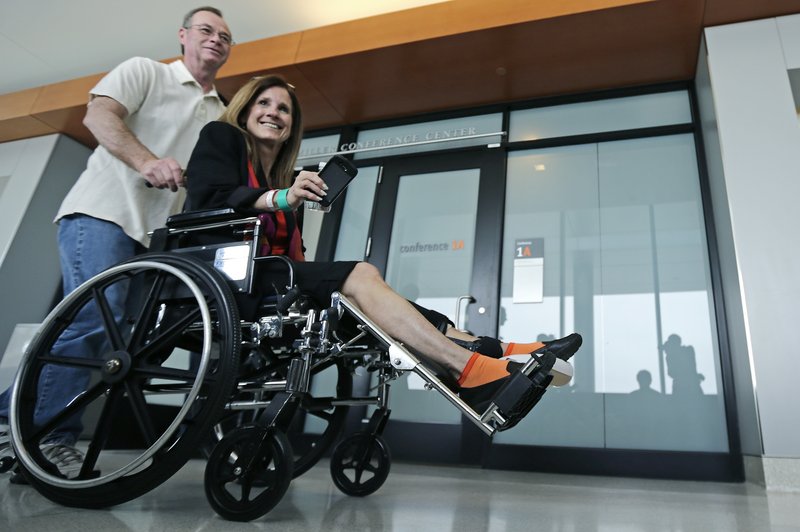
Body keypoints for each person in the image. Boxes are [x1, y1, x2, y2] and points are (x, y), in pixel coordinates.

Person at [184, 74, 582, 418]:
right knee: (361, 274)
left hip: (273, 280)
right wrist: (281, 198)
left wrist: (290, 208)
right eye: (264, 103)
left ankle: (500, 352)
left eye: (284, 109)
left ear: (292, 125)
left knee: (396, 305)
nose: (274, 112)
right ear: (243, 109)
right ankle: (469, 368)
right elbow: (208, 195)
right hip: (227, 275)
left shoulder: (284, 176)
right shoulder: (222, 137)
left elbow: (293, 255)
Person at [0, 6, 233, 482]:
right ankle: (48, 441)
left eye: (225, 37)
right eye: (206, 30)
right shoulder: (145, 70)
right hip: (103, 213)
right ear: (183, 36)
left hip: (155, 239)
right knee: (92, 319)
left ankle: (9, 418)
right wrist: (146, 161)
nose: (216, 40)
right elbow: (99, 115)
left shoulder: (223, 112)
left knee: (120, 342)